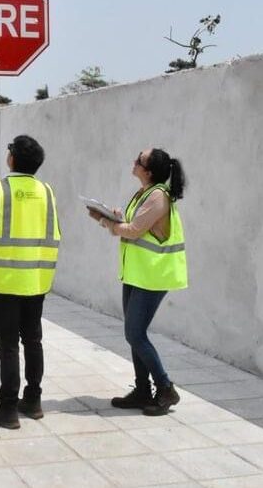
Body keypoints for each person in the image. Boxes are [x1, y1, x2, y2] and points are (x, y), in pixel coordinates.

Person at [0, 135, 60, 430]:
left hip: (4, 280)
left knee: (8, 344)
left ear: (13, 158)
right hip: (37, 279)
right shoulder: (46, 191)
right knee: (33, 339)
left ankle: (7, 408)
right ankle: (33, 399)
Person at [90, 147, 187, 416]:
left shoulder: (158, 197)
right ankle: (143, 390)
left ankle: (165, 388)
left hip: (153, 275)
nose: (134, 162)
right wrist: (113, 219)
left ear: (149, 171)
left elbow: (133, 232)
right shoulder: (144, 193)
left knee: (135, 333)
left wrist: (105, 221)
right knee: (134, 335)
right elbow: (133, 227)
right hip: (137, 273)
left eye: (139, 160)